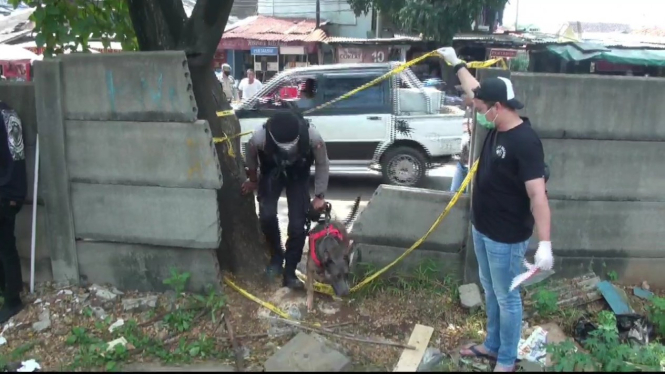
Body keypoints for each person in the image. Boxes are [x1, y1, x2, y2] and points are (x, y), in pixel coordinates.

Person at [437, 47, 553, 372]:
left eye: (481, 108)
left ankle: (506, 360)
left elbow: (538, 196)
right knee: (490, 289)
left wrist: (545, 243)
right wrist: (456, 62)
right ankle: (492, 344)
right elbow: (476, 89)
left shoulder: (525, 142)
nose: (476, 111)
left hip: (506, 237)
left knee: (507, 297)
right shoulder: (496, 124)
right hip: (482, 227)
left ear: (498, 107)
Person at [241, 111, 329, 289]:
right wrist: (253, 180)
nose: (288, 148)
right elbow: (250, 157)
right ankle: (276, 255)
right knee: (266, 215)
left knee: (298, 224)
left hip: (298, 175)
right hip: (272, 173)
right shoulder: (258, 137)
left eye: (292, 145)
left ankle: (290, 271)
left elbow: (322, 163)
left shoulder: (312, 135)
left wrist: (320, 196)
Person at [0, 100, 27, 324]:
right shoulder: (8, 113)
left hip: (6, 192)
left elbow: (16, 158)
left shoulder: (7, 117)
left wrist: (13, 195)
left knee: (6, 246)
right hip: (7, 191)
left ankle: (13, 299)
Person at [450, 94, 474, 193]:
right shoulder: (467, 111)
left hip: (472, 163)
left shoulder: (479, 113)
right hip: (463, 160)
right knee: (453, 192)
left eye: (465, 94)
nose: (462, 97)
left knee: (469, 194)